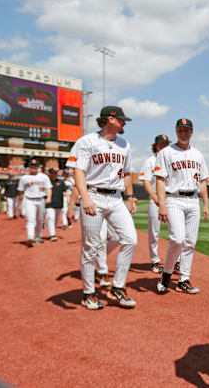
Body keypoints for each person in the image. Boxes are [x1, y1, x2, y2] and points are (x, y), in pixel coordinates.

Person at [66, 105, 138, 310]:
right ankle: (88, 293)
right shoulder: (87, 141)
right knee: (90, 246)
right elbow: (78, 171)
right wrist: (85, 197)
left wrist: (130, 196)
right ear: (111, 119)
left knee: (130, 240)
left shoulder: (124, 144)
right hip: (94, 194)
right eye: (122, 119)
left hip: (115, 198)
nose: (124, 123)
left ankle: (117, 287)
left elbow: (126, 173)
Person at [155, 120, 209, 294]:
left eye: (186, 130)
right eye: (180, 130)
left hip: (193, 200)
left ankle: (184, 279)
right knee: (178, 239)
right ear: (176, 131)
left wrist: (206, 204)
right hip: (174, 199)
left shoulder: (198, 155)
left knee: (190, 242)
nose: (183, 133)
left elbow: (202, 182)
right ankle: (166, 275)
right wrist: (162, 204)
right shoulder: (166, 152)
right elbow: (160, 180)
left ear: (192, 132)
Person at [139, 134, 172, 273]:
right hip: (156, 200)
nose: (163, 145)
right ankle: (155, 260)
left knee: (176, 232)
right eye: (161, 144)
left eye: (166, 143)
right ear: (156, 145)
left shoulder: (172, 160)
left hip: (171, 199)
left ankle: (175, 260)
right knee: (154, 232)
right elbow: (145, 181)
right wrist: (154, 197)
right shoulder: (150, 161)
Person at [17, 159, 52, 247]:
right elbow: (21, 192)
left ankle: (38, 236)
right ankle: (30, 237)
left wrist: (49, 197)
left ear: (38, 167)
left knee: (40, 219)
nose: (33, 168)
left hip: (41, 199)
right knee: (30, 219)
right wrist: (20, 204)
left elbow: (48, 188)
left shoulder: (44, 177)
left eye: (35, 166)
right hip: (29, 200)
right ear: (29, 167)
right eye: (32, 166)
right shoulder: (24, 178)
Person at [45, 168, 68, 242]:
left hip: (59, 203)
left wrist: (68, 199)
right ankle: (52, 234)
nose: (55, 174)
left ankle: (53, 231)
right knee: (50, 218)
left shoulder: (61, 182)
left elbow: (66, 191)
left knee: (56, 220)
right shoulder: (45, 182)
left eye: (56, 173)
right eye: (53, 173)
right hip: (49, 204)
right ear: (49, 173)